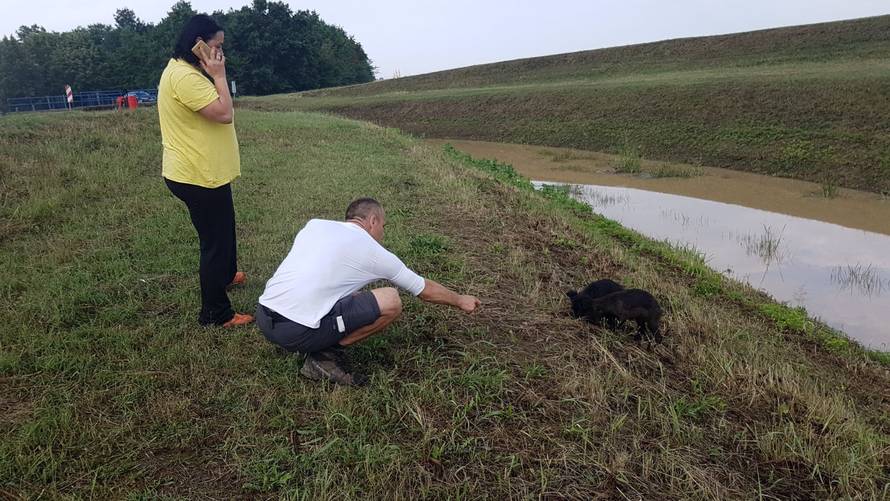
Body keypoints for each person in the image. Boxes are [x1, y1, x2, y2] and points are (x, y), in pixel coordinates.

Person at [257, 198, 481, 386]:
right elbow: (423, 289)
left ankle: (315, 341)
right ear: (373, 221)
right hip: (295, 331)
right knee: (391, 300)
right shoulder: (373, 251)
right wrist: (460, 299)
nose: (383, 232)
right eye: (384, 225)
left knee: (350, 295)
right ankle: (323, 358)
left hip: (264, 316)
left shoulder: (315, 225)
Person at [158, 14, 252, 327]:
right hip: (196, 175)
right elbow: (225, 113)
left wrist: (212, 72)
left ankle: (225, 275)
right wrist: (220, 76)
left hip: (206, 172)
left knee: (224, 231)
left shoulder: (186, 72)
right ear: (197, 45)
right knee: (215, 243)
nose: (220, 54)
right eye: (216, 47)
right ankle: (215, 313)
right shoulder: (184, 78)